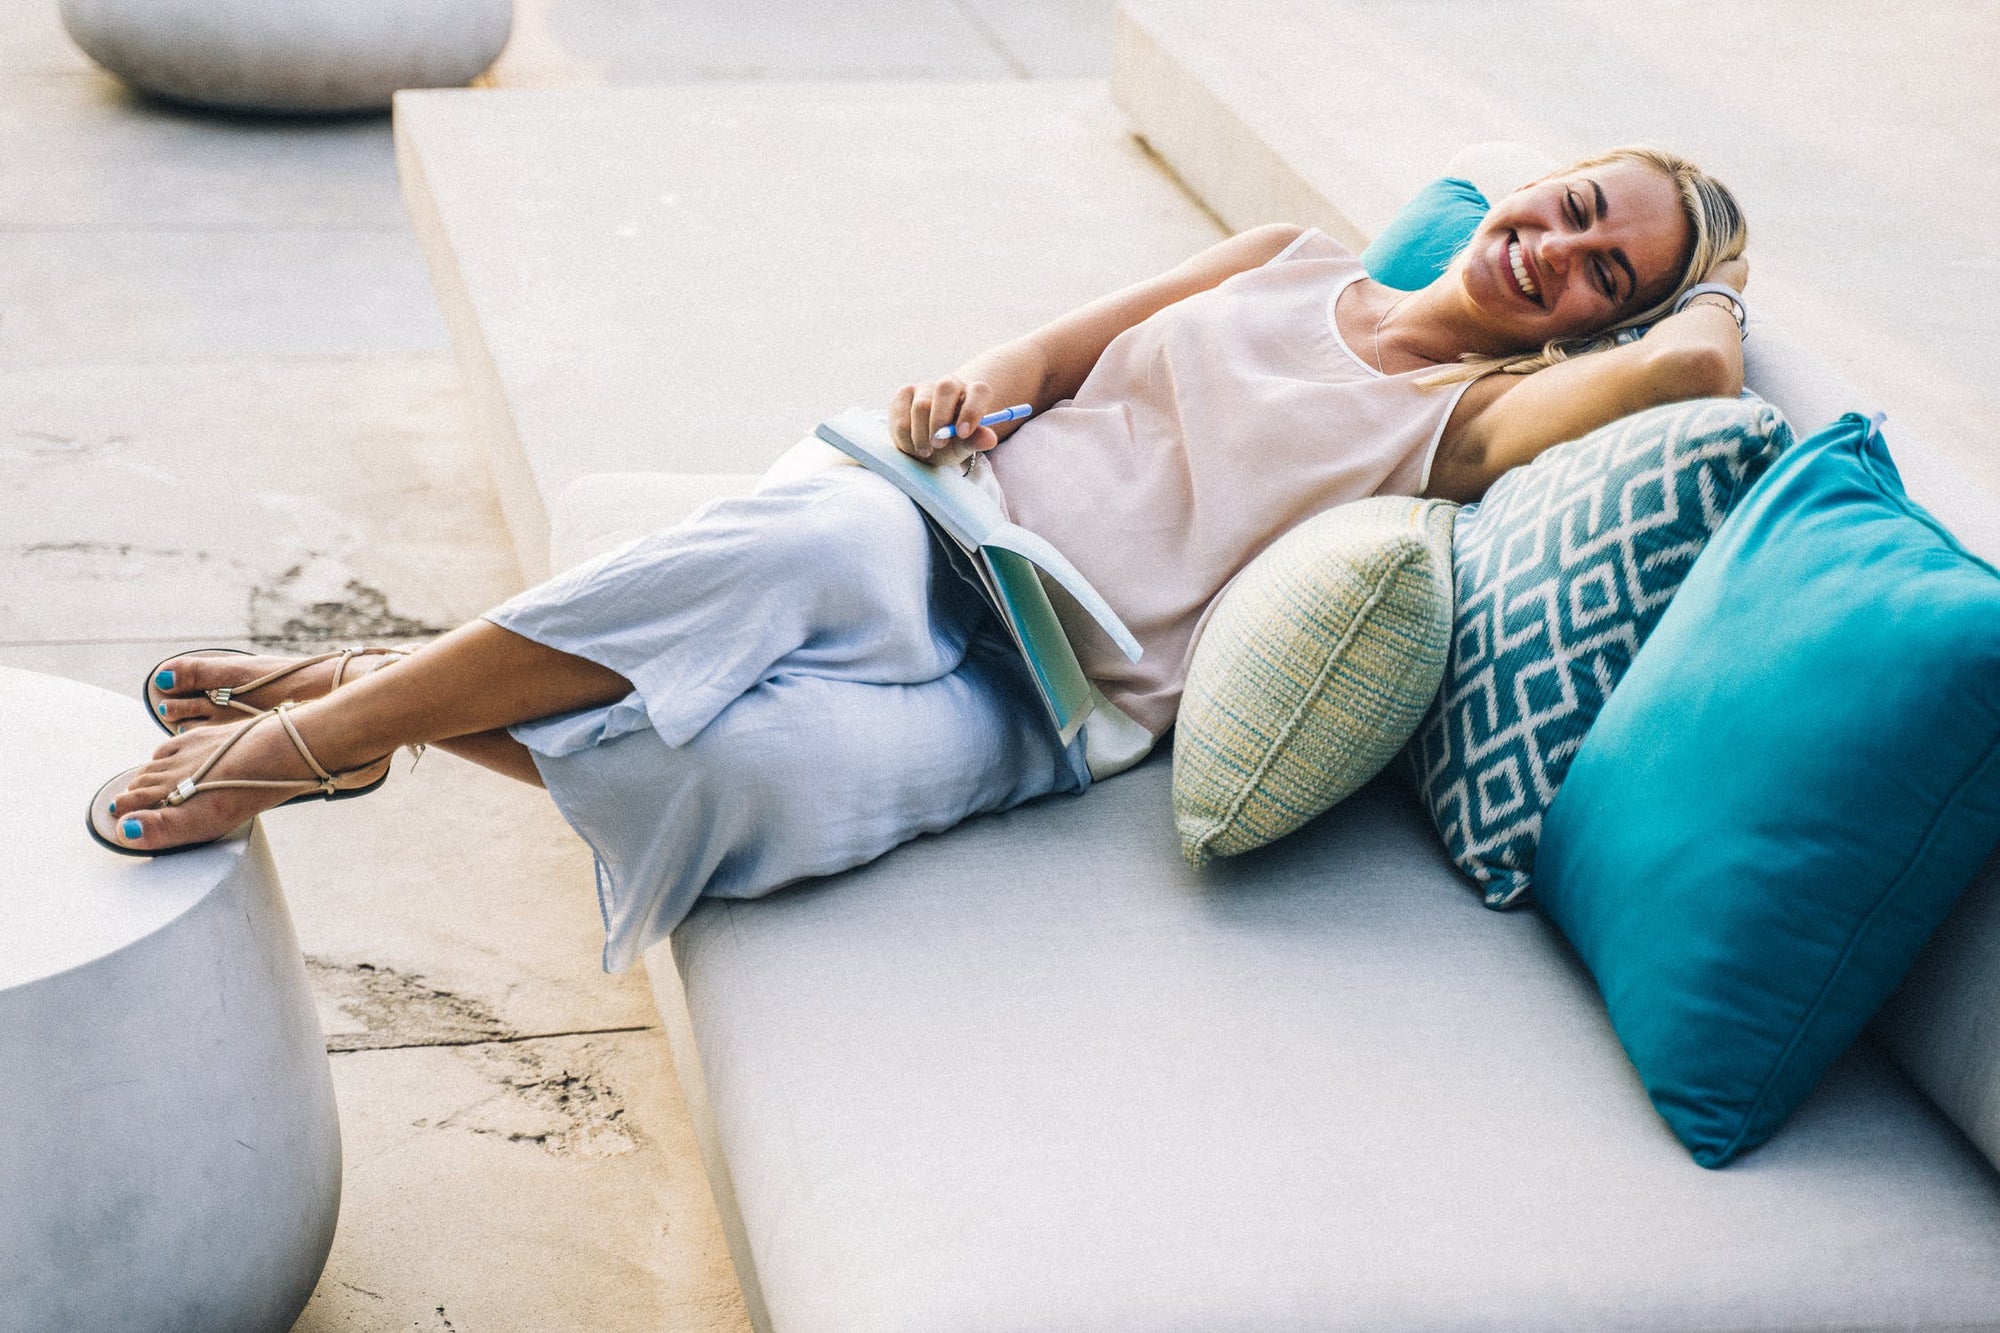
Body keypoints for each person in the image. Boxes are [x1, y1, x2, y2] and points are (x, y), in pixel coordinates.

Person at [92, 145, 1751, 971]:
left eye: (1607, 271)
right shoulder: (1287, 256)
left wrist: (1711, 293)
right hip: (942, 517)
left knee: (742, 775)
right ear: (1533, 173)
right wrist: (972, 388)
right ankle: (312, 744)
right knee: (792, 552)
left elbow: (1694, 375)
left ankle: (352, 688)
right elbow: (1046, 356)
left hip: (1047, 695)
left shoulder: (1463, 429)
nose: (1557, 250)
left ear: (1609, 320)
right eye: (1574, 203)